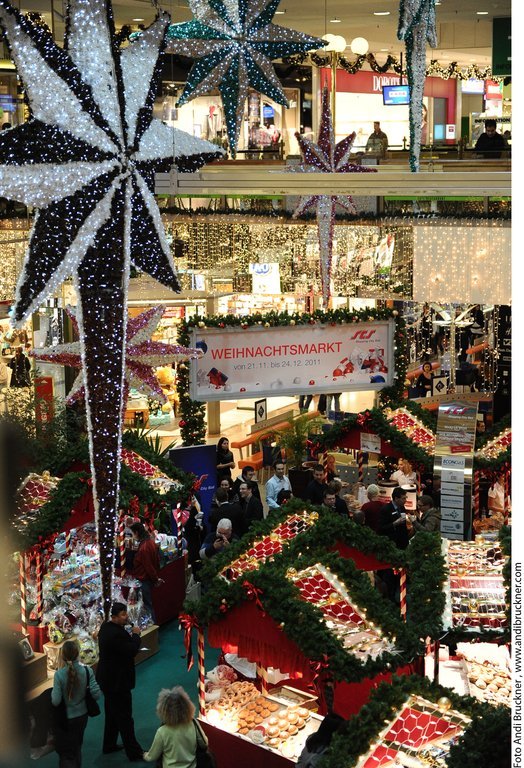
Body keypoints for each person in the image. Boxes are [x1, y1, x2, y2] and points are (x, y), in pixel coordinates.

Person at [96, 601, 144, 761]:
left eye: (126, 613)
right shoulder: (116, 634)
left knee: (111, 714)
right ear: (114, 617)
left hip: (108, 681)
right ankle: (134, 752)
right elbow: (132, 650)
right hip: (117, 682)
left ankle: (109, 744)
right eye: (123, 614)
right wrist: (136, 635)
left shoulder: (106, 628)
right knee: (125, 717)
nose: (126, 617)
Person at [51, 639, 101, 768]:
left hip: (66, 719)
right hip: (82, 716)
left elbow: (55, 701)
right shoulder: (87, 671)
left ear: (62, 656)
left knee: (67, 753)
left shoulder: (59, 675)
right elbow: (97, 694)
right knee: (77, 746)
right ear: (78, 654)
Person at [143, 686, 208, 767]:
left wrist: (144, 755)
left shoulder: (162, 731)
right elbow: (204, 743)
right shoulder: (193, 723)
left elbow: (152, 756)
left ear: (163, 710)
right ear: (187, 706)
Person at [377, 487, 409, 602]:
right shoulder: (385, 510)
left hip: (401, 545)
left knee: (398, 574)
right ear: (396, 498)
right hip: (390, 547)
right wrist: (394, 524)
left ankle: (396, 595)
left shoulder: (402, 508)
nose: (405, 500)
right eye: (403, 498)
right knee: (389, 574)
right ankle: (388, 597)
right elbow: (381, 528)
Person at [129, 522, 162, 623]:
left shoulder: (144, 548)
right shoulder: (150, 542)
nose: (133, 536)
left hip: (144, 580)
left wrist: (155, 579)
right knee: (147, 604)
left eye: (132, 534)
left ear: (136, 533)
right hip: (147, 579)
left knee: (147, 606)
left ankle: (153, 627)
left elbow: (148, 567)